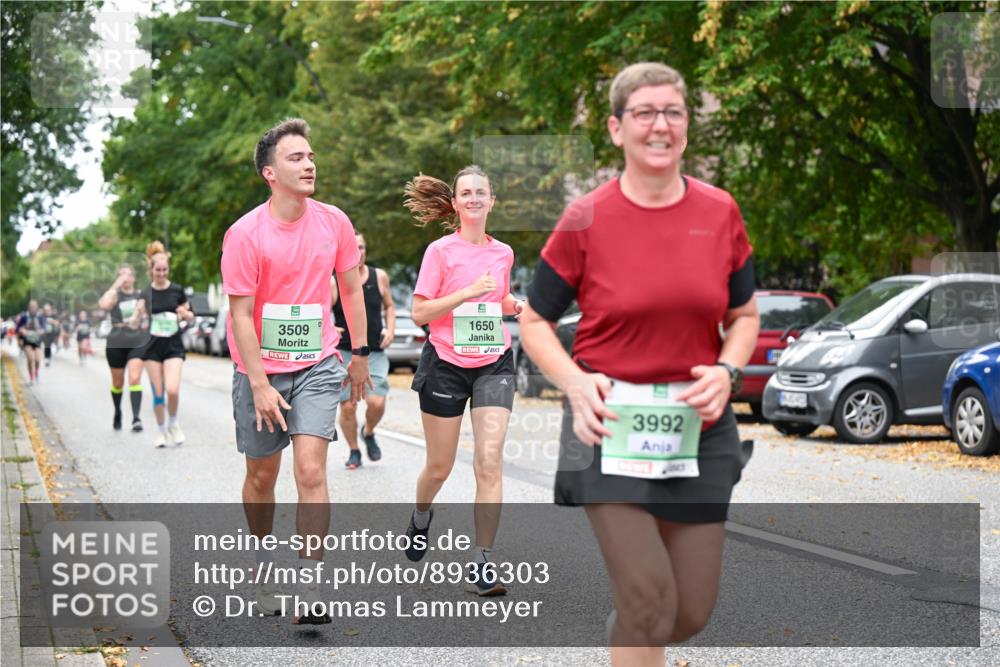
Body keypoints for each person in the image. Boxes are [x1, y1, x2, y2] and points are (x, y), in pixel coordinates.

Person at [518, 63, 760, 665]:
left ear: (686, 125)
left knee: (688, 613)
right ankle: (636, 616)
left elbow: (746, 316)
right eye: (645, 113)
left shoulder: (720, 211)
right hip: (606, 427)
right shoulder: (585, 218)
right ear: (616, 128)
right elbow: (534, 321)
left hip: (698, 431)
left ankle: (631, 625)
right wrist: (574, 383)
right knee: (649, 601)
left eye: (673, 112)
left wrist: (727, 370)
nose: (660, 125)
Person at [221, 118, 370, 625]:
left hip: (318, 363)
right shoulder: (245, 234)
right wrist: (259, 384)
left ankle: (311, 586)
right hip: (258, 370)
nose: (309, 164)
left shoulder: (334, 222)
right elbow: (241, 315)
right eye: (296, 158)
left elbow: (350, 290)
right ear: (270, 172)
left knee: (311, 470)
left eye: (310, 156)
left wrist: (361, 353)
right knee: (262, 477)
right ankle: (263, 567)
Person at [401, 165, 523, 597]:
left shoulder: (503, 252)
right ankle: (420, 516)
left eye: (481, 192)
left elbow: (499, 297)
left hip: (493, 362)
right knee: (440, 466)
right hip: (446, 363)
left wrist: (514, 304)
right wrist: (465, 294)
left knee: (489, 463)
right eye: (466, 193)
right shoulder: (440, 252)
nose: (473, 198)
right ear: (454, 203)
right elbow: (420, 313)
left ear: (492, 201)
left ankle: (483, 563)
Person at [331, 232, 395, 469]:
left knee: (377, 402)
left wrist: (390, 329)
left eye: (362, 247)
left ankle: (368, 432)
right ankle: (354, 450)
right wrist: (330, 327)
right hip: (345, 353)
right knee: (348, 406)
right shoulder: (334, 281)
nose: (358, 252)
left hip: (374, 353)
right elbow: (320, 311)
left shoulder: (379, 277)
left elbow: (390, 306)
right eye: (353, 247)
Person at [133, 242, 194, 447]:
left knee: (172, 389)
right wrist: (138, 312)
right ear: (151, 270)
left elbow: (191, 317)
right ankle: (161, 432)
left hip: (173, 346)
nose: (161, 273)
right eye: (157, 270)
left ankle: (173, 423)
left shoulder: (177, 290)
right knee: (158, 393)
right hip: (152, 348)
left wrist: (185, 314)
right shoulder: (145, 293)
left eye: (164, 270)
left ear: (168, 269)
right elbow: (134, 322)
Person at [99, 263, 147, 432]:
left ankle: (136, 418)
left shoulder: (140, 295)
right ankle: (118, 411)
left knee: (134, 378)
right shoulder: (114, 295)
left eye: (128, 275)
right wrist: (115, 285)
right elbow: (104, 305)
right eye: (122, 275)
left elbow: (148, 312)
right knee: (118, 383)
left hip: (137, 341)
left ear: (133, 278)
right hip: (116, 341)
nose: (126, 278)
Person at [15, 300, 44, 383]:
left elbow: (44, 327)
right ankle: (31, 377)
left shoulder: (40, 316)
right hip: (27, 340)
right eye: (31, 306)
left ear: (37, 307)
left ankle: (36, 373)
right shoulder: (24, 316)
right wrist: (21, 330)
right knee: (30, 359)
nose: (33, 308)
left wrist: (41, 331)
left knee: (38, 360)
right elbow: (17, 327)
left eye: (34, 306)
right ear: (29, 307)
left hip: (37, 340)